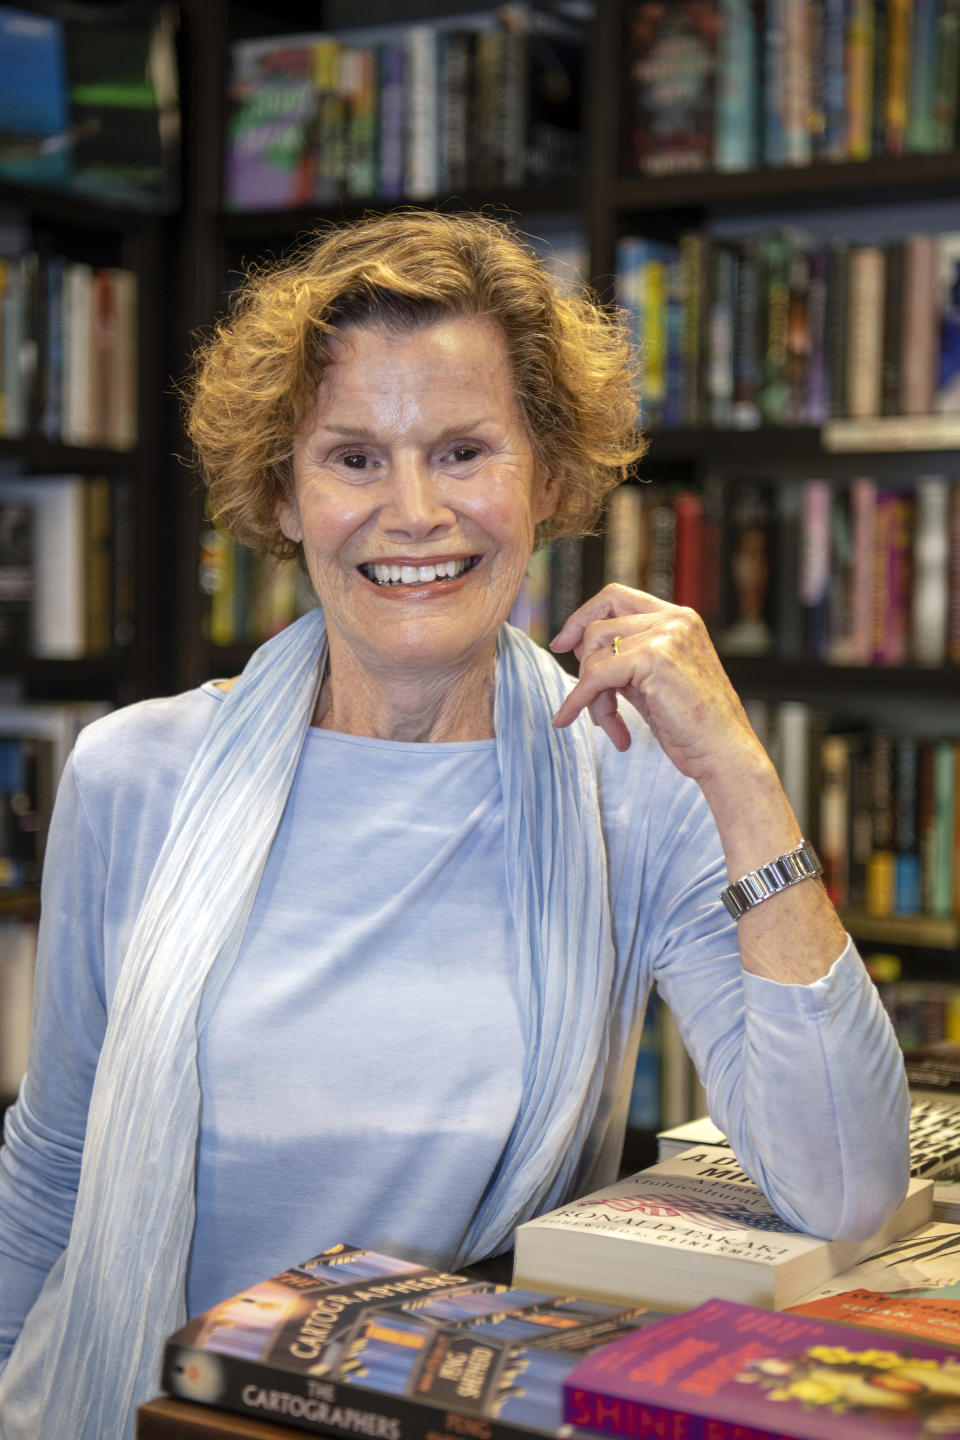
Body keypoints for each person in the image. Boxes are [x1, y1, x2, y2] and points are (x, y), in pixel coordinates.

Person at [0, 210, 908, 1440]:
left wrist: (740, 774)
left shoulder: (631, 782)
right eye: (355, 457)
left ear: (548, 474)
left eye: (465, 450)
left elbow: (848, 1188)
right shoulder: (134, 774)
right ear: (283, 488)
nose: (414, 511)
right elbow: (51, 1169)